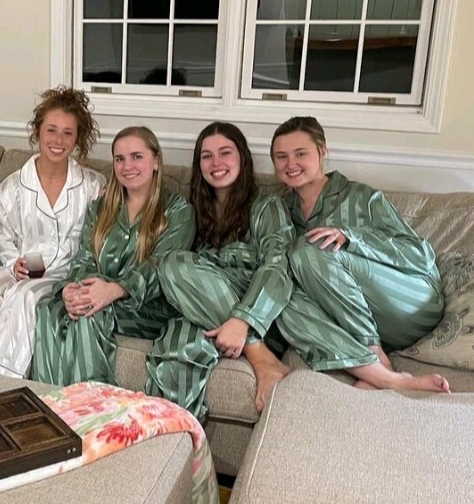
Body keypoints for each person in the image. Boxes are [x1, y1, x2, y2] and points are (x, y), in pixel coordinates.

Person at [270, 116, 450, 393]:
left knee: (310, 247)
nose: (290, 164)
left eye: (300, 154)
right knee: (280, 295)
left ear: (323, 151)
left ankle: (371, 349)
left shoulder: (362, 197)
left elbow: (420, 255)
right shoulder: (281, 210)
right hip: (355, 317)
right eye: (281, 156)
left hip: (410, 305)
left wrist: (352, 239)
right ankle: (383, 376)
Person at [0, 87, 106, 377]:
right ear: (38, 132)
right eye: (51, 130)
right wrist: (14, 262)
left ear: (78, 139)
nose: (58, 140)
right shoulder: (13, 186)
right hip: (21, 268)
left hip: (65, 273)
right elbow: (0, 236)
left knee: (24, 297)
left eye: (67, 133)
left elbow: (101, 238)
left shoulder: (93, 186)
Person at [146, 122, 294, 419]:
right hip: (201, 314)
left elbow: (278, 266)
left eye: (225, 153)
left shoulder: (267, 206)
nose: (216, 163)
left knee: (175, 264)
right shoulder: (191, 210)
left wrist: (243, 320)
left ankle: (259, 354)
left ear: (242, 157)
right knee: (178, 344)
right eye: (207, 156)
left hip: (257, 317)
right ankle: (177, 438)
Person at [32, 126, 195, 387]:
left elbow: (160, 267)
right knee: (48, 308)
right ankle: (49, 398)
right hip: (101, 297)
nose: (127, 166)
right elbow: (84, 259)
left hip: (148, 307)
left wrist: (114, 290)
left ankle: (90, 401)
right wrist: (72, 290)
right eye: (119, 159)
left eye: (136, 157)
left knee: (90, 312)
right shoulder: (100, 208)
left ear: (156, 161)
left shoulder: (178, 211)